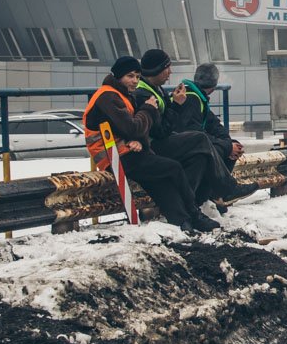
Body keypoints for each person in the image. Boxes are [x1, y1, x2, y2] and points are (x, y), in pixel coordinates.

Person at [82, 56, 219, 232]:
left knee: (162, 183)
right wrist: (148, 109)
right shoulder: (108, 96)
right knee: (173, 168)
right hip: (115, 158)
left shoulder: (122, 95)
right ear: (118, 76)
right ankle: (194, 215)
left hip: (126, 153)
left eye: (138, 77)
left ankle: (182, 222)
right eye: (130, 76)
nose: (134, 81)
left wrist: (137, 140)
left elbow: (132, 130)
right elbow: (132, 127)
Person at [133, 49, 256, 208]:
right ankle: (224, 191)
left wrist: (227, 141)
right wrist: (176, 105)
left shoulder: (160, 90)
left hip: (165, 141)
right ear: (156, 69)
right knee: (205, 143)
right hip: (154, 146)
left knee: (212, 149)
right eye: (167, 68)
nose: (170, 72)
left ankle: (200, 202)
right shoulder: (146, 94)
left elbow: (214, 125)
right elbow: (162, 131)